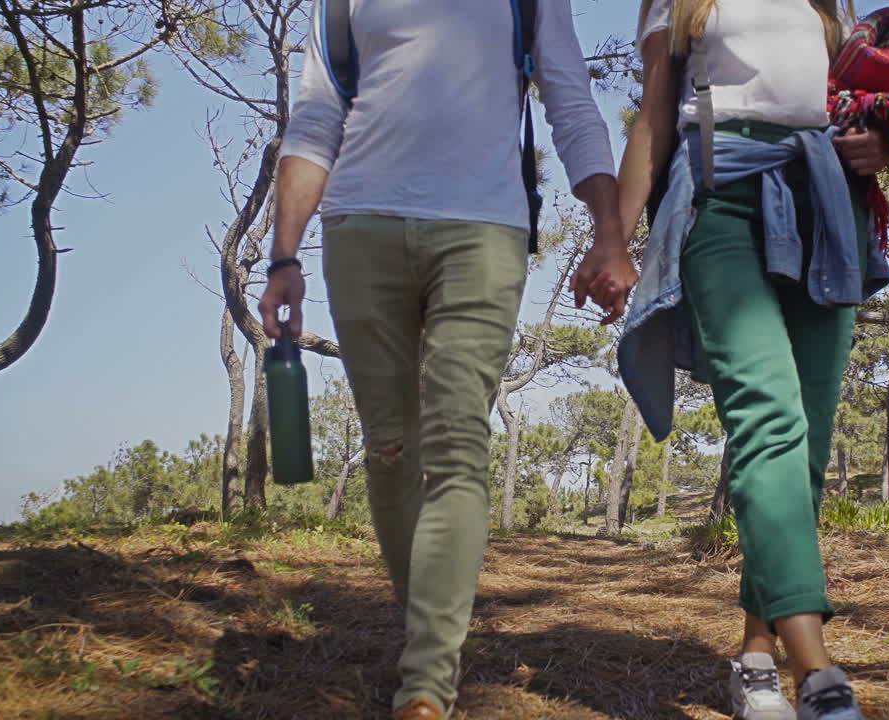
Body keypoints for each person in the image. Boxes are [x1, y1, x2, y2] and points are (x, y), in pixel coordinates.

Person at [257, 2, 637, 718]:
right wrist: (283, 256)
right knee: (391, 450)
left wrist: (609, 233)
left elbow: (571, 104)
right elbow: (315, 118)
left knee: (459, 439)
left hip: (484, 228)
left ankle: (427, 682)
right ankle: (422, 626)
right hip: (359, 223)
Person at [610, 0, 889, 717]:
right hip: (721, 200)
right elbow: (655, 122)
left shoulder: (829, 5)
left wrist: (880, 147)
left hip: (826, 200)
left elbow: (847, 106)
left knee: (806, 442)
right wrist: (613, 240)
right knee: (768, 416)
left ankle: (757, 654)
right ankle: (818, 672)